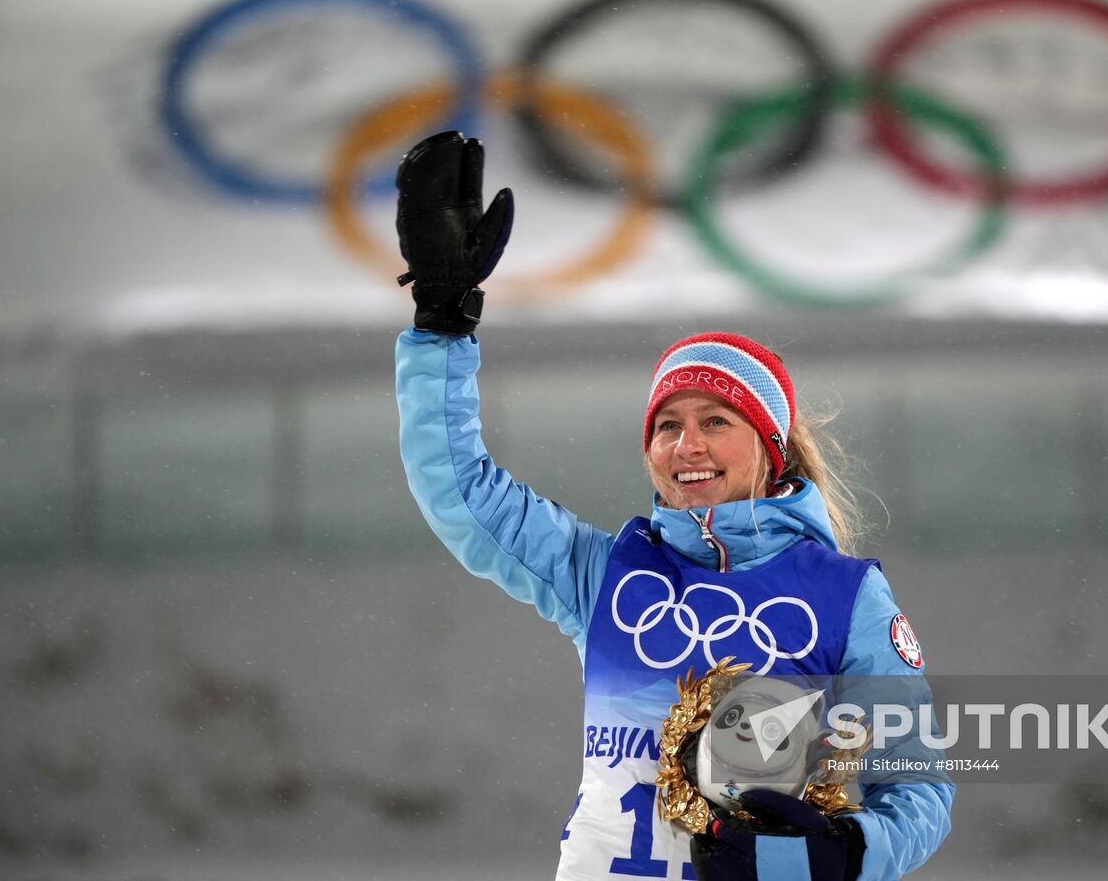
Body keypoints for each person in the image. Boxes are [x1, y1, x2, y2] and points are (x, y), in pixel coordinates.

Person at [394, 131, 954, 881]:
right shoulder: (605, 573)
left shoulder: (847, 596)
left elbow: (920, 786)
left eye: (715, 421)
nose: (686, 444)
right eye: (667, 425)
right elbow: (460, 491)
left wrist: (848, 853)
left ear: (771, 448)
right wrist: (441, 324)